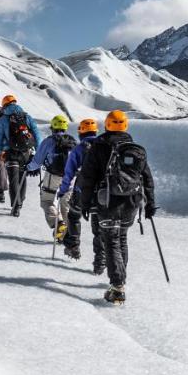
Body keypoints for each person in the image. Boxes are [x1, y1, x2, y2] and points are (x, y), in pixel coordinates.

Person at [75, 110, 156, 304]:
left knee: (110, 240)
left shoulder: (99, 147)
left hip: (107, 201)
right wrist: (151, 203)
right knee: (121, 238)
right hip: (132, 202)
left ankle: (117, 286)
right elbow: (147, 178)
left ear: (108, 125)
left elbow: (87, 178)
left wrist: (84, 203)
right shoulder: (136, 149)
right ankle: (120, 280)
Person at [56, 118, 104, 272]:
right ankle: (100, 260)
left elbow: (69, 173)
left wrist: (63, 190)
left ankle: (73, 246)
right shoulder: (105, 146)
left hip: (81, 191)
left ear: (81, 132)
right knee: (98, 226)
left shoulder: (78, 149)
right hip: (101, 193)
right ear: (96, 131)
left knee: (74, 216)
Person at [25, 114, 77, 242]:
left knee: (47, 201)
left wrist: (27, 167)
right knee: (66, 204)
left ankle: (58, 223)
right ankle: (66, 235)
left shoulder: (49, 141)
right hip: (70, 178)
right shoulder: (73, 141)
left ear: (53, 127)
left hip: (52, 175)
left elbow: (37, 162)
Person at [0, 94, 42, 217]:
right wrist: (37, 151)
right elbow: (37, 134)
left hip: (10, 153)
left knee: (13, 179)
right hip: (25, 153)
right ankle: (20, 202)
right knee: (22, 177)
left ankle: (15, 206)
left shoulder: (3, 119)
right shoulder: (26, 116)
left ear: (4, 106)